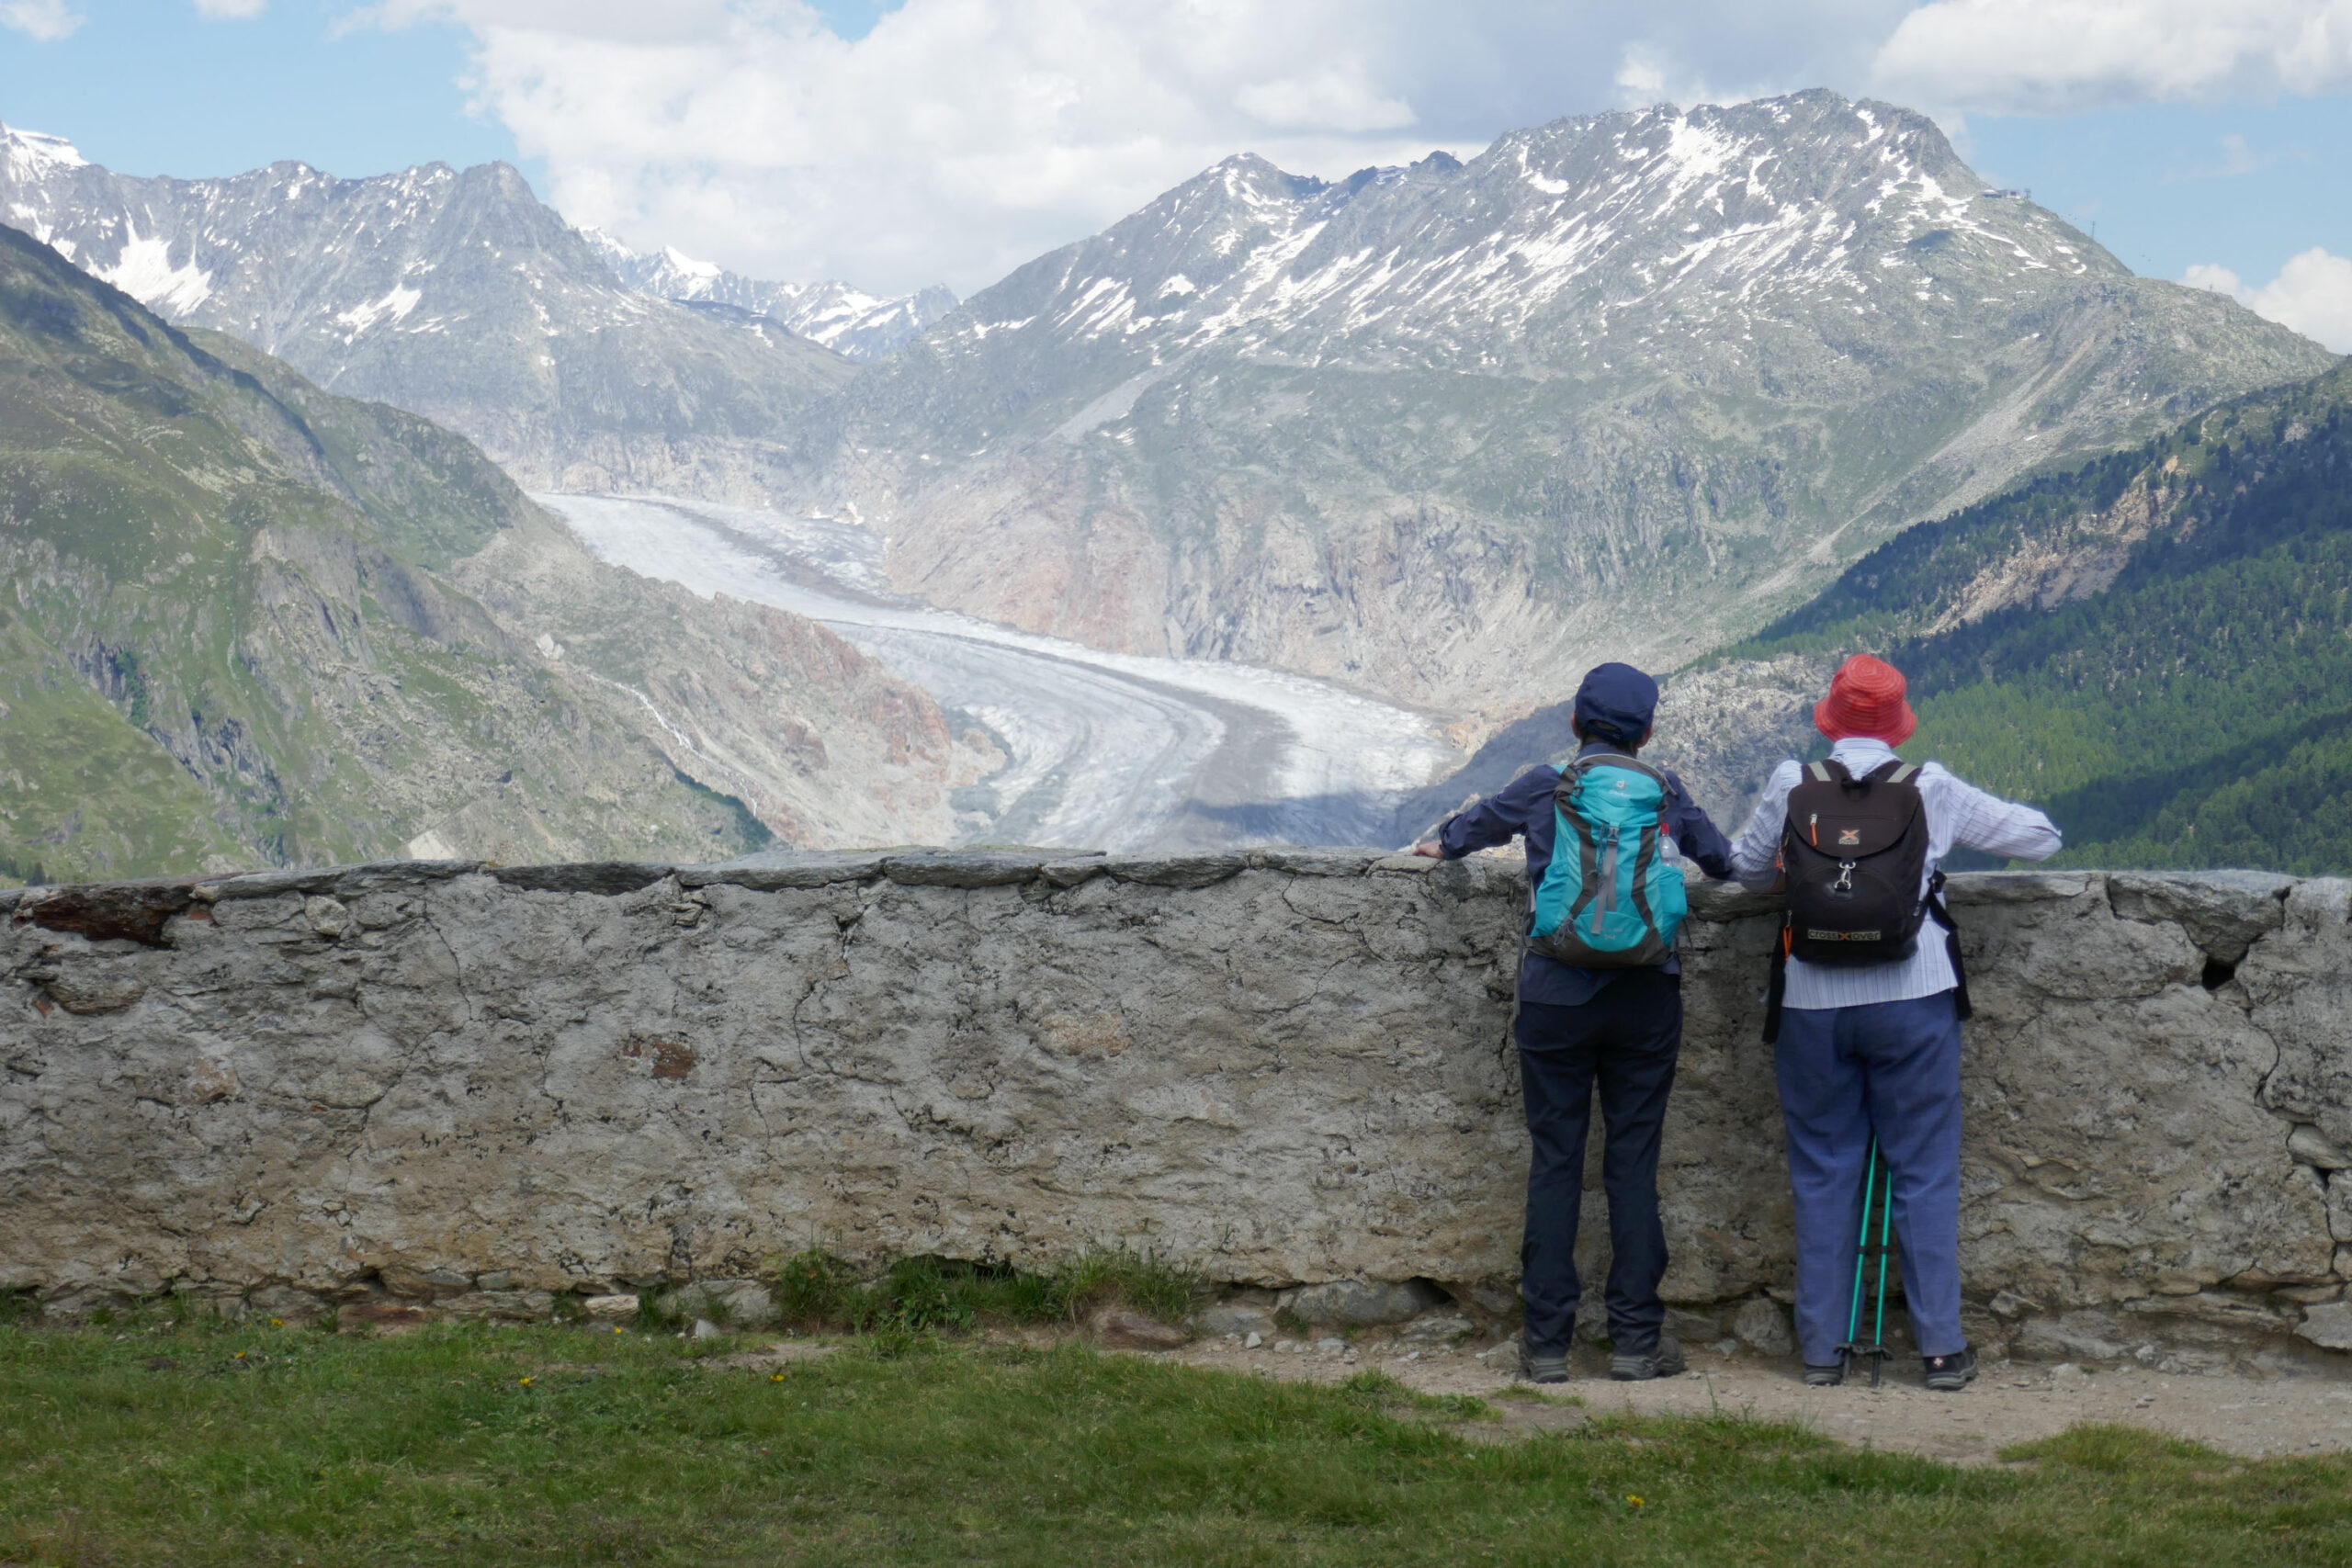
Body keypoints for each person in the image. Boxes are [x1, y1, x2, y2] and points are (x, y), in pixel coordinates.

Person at [1729, 654, 2061, 1392]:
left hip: (1812, 1000)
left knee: (1822, 1170)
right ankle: (1941, 1349)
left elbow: (1747, 870)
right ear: (1897, 722)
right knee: (1924, 1171)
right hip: (1914, 996)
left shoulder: (1793, 782)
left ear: (1832, 717)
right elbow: (2039, 838)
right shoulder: (1930, 787)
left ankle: (1821, 1350)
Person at [1415, 662, 1735, 1382]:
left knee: (1556, 1160)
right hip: (1647, 995)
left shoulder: (1546, 782)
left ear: (1574, 724)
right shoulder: (1664, 790)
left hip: (1557, 994)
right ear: (1648, 731)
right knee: (1633, 1163)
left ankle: (1549, 1343)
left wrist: (1441, 842)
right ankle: (1635, 1340)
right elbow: (1718, 861)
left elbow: (1471, 828)